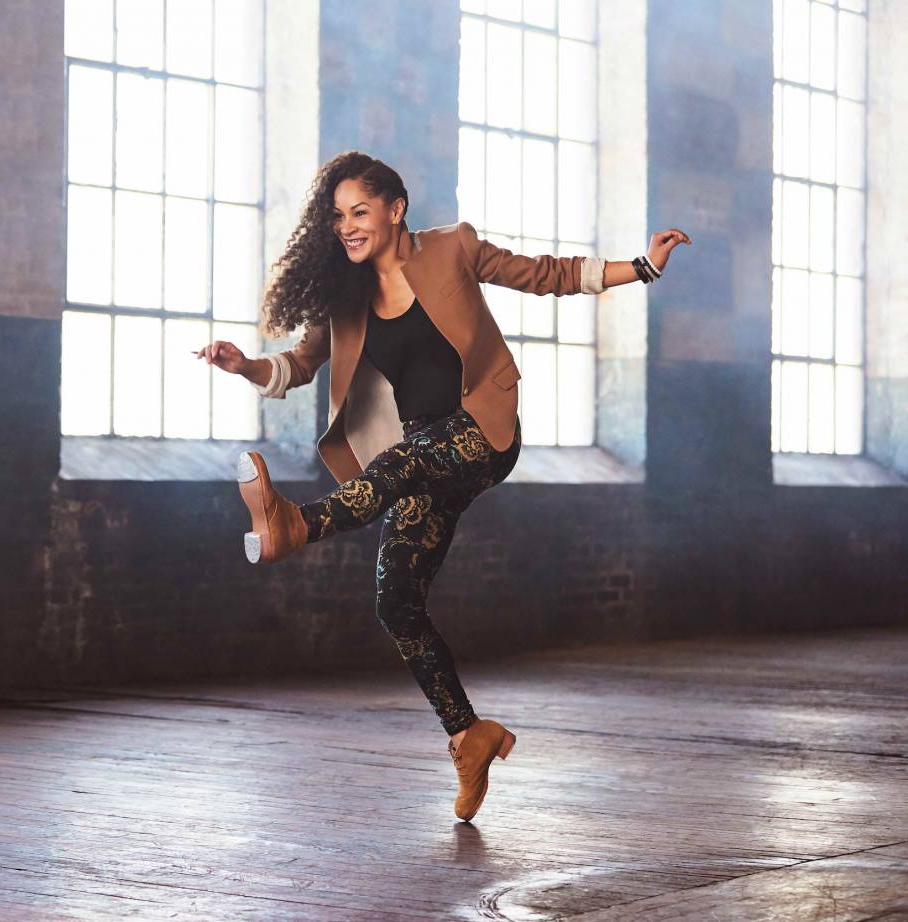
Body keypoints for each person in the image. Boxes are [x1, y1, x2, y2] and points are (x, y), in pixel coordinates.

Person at [195, 150, 690, 822]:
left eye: (359, 212)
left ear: (395, 208)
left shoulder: (452, 248)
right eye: (337, 216)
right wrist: (244, 365)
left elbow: (544, 274)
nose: (346, 226)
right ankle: (468, 735)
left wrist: (643, 266)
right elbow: (300, 365)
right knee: (396, 599)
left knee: (395, 469)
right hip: (422, 446)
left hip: (481, 431)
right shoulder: (347, 297)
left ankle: (298, 524)